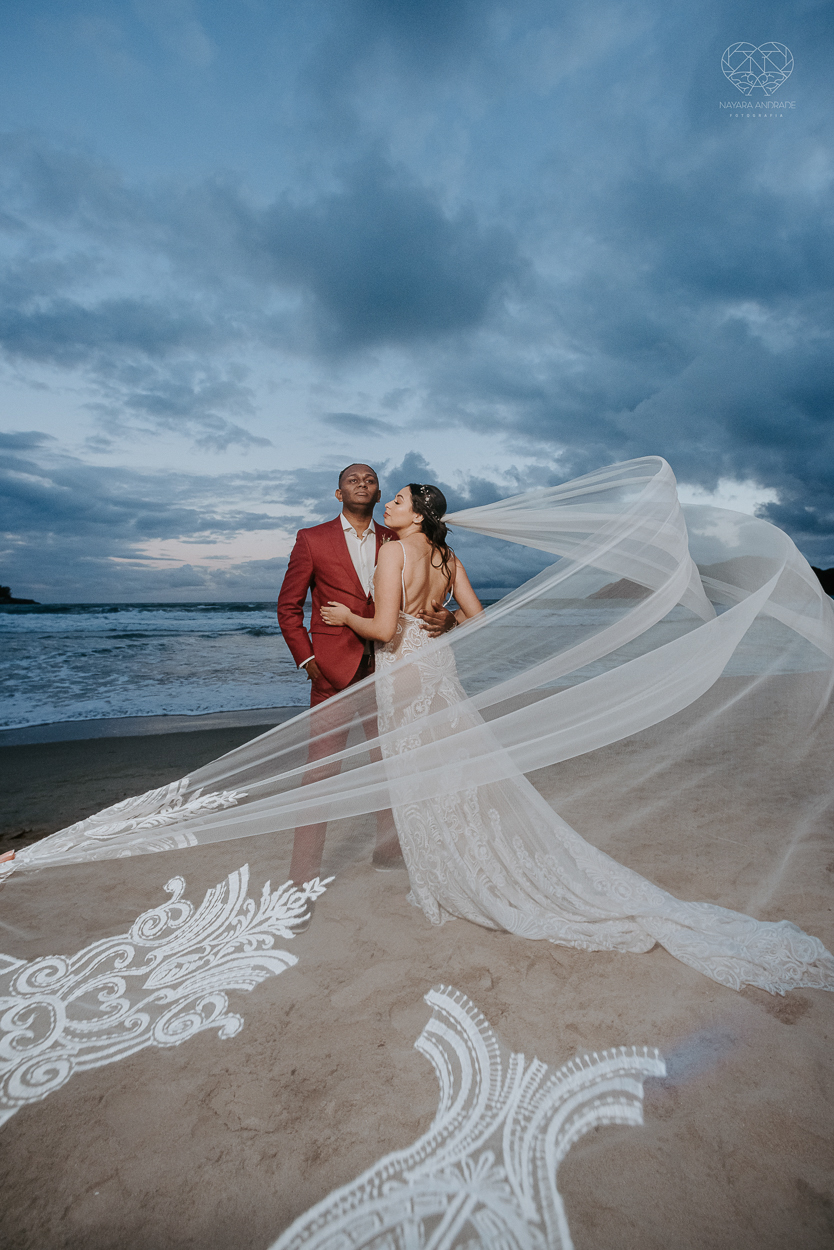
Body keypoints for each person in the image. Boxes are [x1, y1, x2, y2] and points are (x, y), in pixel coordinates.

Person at [322, 482, 834, 994]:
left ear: (417, 515)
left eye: (399, 500)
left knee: (417, 772)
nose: (389, 504)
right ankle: (456, 866)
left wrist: (346, 617)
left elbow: (384, 630)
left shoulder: (393, 552)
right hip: (437, 665)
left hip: (403, 671)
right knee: (451, 766)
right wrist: (447, 617)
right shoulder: (446, 556)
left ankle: (444, 877)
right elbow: (478, 618)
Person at [277, 464, 456, 883]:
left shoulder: (399, 539)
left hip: (389, 670)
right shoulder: (311, 539)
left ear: (378, 495)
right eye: (352, 480)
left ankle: (388, 852)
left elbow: (427, 595)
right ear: (338, 494)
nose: (362, 484)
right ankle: (302, 879)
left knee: (390, 766)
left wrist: (449, 619)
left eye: (371, 480)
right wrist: (307, 659)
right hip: (331, 676)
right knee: (319, 775)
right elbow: (288, 607)